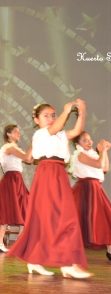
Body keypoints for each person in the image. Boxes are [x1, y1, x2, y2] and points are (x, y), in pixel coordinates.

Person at [7, 100, 93, 279]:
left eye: (53, 115)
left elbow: (76, 131)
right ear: (36, 120)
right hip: (48, 173)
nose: (51, 118)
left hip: (58, 173)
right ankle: (67, 263)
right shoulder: (40, 134)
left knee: (56, 218)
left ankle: (38, 259)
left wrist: (82, 112)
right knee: (59, 217)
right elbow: (54, 128)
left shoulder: (60, 134)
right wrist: (67, 109)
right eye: (46, 116)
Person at [68, 131, 111, 260]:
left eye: (90, 139)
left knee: (105, 217)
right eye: (85, 140)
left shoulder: (92, 154)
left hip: (95, 187)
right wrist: (101, 151)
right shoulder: (80, 155)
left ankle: (110, 249)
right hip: (87, 188)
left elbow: (105, 168)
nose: (89, 142)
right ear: (77, 144)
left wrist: (105, 151)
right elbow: (98, 164)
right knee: (85, 220)